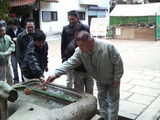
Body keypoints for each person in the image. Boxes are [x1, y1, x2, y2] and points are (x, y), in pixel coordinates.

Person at [46, 31, 124, 120]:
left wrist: (117, 78)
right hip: (99, 79)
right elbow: (70, 62)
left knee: (113, 101)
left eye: (82, 46)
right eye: (79, 46)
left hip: (112, 79)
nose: (80, 48)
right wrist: (56, 74)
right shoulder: (80, 51)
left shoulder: (108, 47)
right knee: (102, 98)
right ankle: (104, 117)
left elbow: (118, 63)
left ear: (90, 42)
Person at [61, 10, 92, 90]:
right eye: (69, 19)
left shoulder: (85, 27)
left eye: (73, 19)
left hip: (82, 55)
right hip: (70, 56)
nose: (71, 21)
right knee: (69, 79)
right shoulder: (65, 29)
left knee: (83, 79)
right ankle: (69, 93)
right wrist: (63, 58)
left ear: (78, 18)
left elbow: (89, 41)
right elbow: (63, 44)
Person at [6, 18, 24, 83]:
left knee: (22, 66)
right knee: (14, 66)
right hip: (13, 52)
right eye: (10, 25)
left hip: (20, 51)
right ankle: (16, 80)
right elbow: (7, 39)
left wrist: (18, 39)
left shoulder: (22, 30)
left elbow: (24, 40)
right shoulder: (8, 31)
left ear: (16, 25)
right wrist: (12, 39)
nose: (11, 26)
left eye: (12, 25)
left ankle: (23, 79)